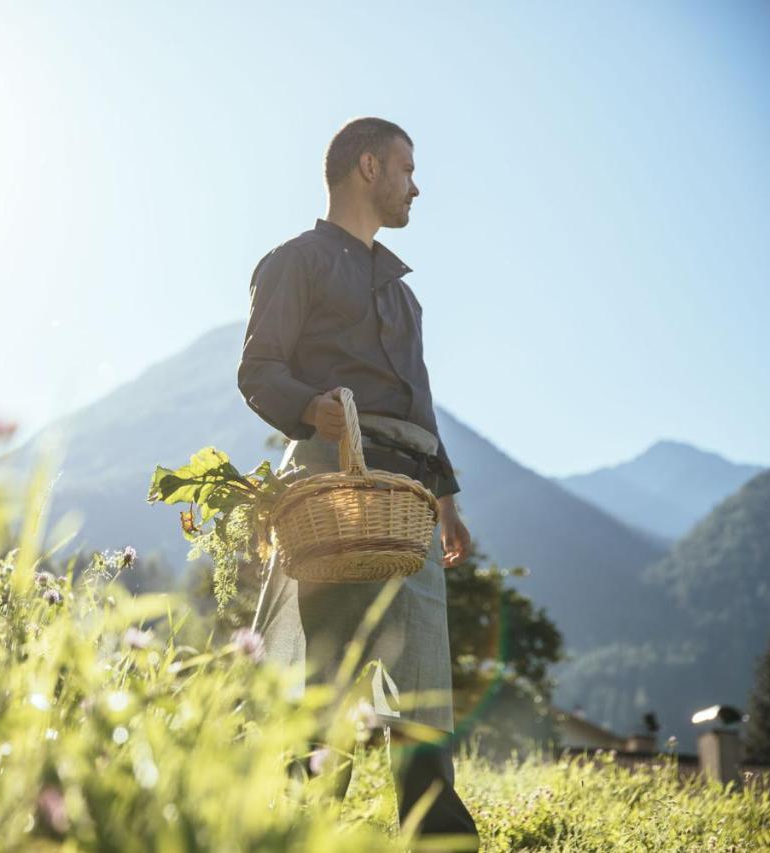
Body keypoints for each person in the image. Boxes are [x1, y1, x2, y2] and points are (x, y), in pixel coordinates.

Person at [237, 117, 479, 848]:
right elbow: (259, 370)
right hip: (335, 484)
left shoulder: (405, 298)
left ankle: (438, 835)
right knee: (329, 673)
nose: (417, 184)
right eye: (408, 168)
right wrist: (313, 408)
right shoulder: (296, 262)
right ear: (367, 167)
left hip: (408, 503)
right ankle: (307, 829)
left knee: (424, 677)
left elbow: (422, 403)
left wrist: (448, 500)